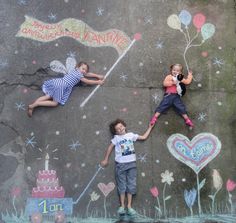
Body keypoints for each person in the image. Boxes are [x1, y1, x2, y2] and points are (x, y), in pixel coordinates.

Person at [100, 119, 153, 216]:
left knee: (131, 184)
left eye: (121, 126)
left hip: (132, 164)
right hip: (121, 165)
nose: (120, 129)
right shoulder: (116, 138)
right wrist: (105, 159)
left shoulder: (131, 135)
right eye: (117, 129)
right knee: (122, 185)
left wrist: (150, 127)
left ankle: (129, 206)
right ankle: (122, 206)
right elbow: (110, 147)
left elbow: (144, 137)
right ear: (116, 132)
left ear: (124, 126)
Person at [27, 61, 104, 117]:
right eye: (83, 68)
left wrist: (97, 76)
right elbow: (87, 81)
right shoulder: (79, 76)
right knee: (55, 103)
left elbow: (87, 74)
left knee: (48, 96)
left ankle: (33, 105)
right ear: (78, 67)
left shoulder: (75, 70)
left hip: (58, 82)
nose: (84, 71)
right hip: (62, 86)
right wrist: (97, 82)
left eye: (85, 70)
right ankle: (37, 104)